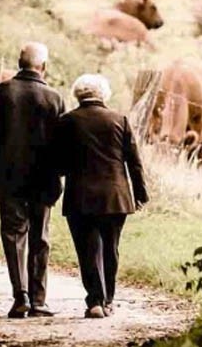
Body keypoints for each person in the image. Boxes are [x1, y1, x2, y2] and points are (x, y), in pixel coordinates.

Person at [0, 42, 66, 319]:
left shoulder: (1, 93)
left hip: (8, 180)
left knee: (13, 235)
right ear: (44, 67)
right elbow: (62, 146)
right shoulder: (54, 98)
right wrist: (60, 176)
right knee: (40, 238)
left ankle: (21, 296)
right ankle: (39, 301)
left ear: (18, 62)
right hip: (44, 181)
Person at [53, 74, 148, 319]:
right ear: (104, 94)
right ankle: (108, 301)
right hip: (115, 196)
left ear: (78, 94)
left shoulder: (66, 121)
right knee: (111, 248)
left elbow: (58, 163)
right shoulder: (120, 120)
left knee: (87, 250)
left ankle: (95, 300)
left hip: (80, 196)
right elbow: (134, 162)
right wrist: (140, 194)